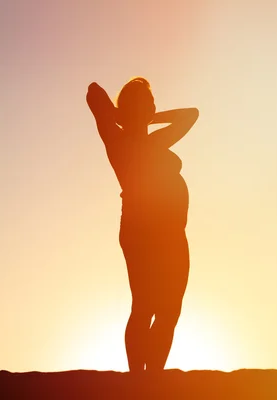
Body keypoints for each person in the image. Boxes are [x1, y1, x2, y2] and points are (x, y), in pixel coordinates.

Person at [86, 77, 199, 372]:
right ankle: (137, 378)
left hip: (173, 232)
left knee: (170, 309)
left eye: (152, 103)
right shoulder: (118, 139)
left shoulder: (154, 140)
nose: (152, 107)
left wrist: (149, 119)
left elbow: (192, 114)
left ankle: (154, 377)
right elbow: (94, 93)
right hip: (141, 229)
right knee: (145, 306)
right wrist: (119, 116)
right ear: (131, 108)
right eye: (147, 103)